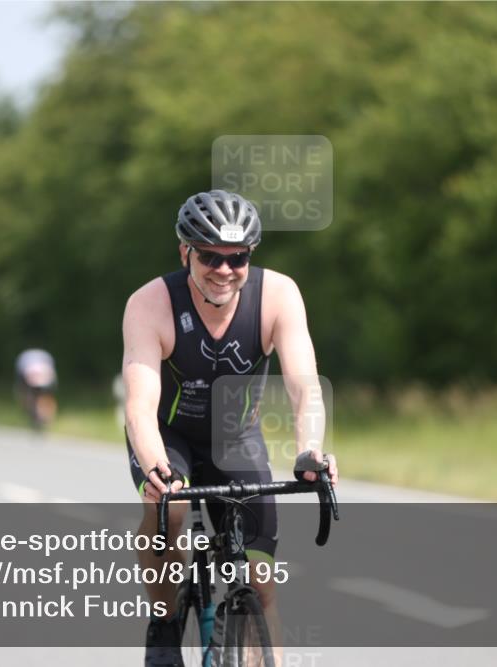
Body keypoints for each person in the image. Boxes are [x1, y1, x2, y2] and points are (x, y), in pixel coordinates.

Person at [121, 190, 338, 666]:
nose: (224, 270)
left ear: (250, 256)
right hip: (168, 435)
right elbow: (140, 405)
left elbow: (305, 388)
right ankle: (164, 617)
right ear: (186, 253)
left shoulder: (278, 295)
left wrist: (310, 453)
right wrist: (158, 471)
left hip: (235, 438)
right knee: (170, 513)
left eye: (236, 258)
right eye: (209, 257)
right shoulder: (150, 303)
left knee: (260, 584)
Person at [14, 349, 57, 430]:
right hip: (28, 372)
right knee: (26, 395)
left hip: (41, 373)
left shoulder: (47, 367)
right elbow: (21, 387)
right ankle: (34, 412)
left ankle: (43, 416)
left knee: (46, 396)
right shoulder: (24, 364)